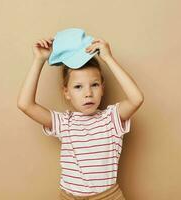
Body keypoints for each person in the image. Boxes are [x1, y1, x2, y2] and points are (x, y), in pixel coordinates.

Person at [17, 35, 144, 200]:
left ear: (102, 88)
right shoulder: (64, 123)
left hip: (107, 196)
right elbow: (25, 104)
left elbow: (137, 99)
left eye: (94, 85)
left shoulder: (111, 118)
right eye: (78, 87)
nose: (88, 93)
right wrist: (39, 60)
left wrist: (108, 58)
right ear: (66, 92)